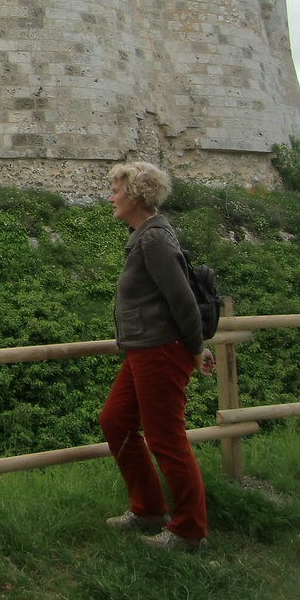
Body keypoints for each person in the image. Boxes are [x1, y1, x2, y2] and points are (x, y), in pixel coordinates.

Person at [99, 161, 215, 552]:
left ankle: (188, 531)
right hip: (143, 350)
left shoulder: (154, 239)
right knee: (115, 421)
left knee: (166, 439)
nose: (110, 197)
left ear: (135, 195)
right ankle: (148, 508)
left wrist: (196, 349)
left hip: (161, 350)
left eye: (116, 190)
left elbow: (182, 298)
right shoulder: (143, 235)